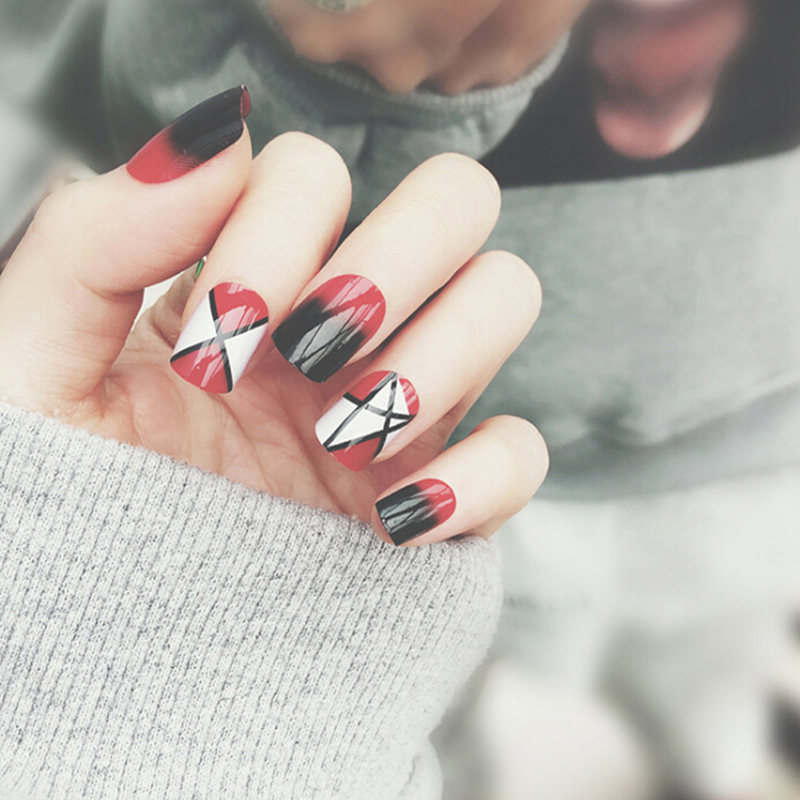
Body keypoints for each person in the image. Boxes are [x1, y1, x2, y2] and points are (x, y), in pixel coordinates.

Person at [0, 0, 798, 798]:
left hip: (732, 428)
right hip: (389, 476)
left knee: (711, 681)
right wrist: (324, 61)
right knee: (433, 706)